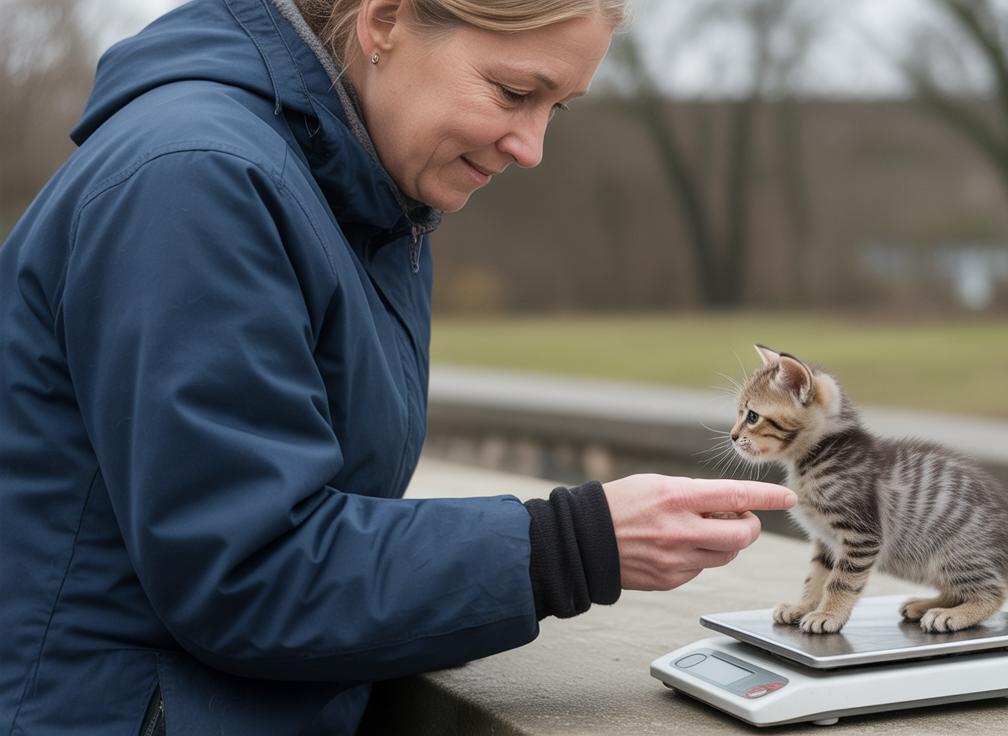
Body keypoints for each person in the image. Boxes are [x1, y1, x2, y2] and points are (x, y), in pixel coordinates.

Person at [0, 0, 797, 733]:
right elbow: (246, 574)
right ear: (383, 21)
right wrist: (574, 543)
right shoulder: (199, 180)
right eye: (514, 91)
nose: (532, 147)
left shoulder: (359, 199)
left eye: (556, 107)